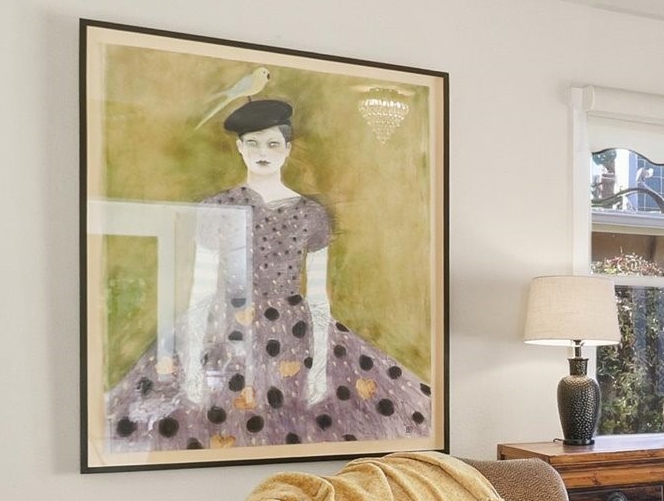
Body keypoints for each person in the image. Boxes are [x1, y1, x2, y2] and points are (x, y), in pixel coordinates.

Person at [103, 97, 432, 453]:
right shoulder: (218, 207)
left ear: (287, 149)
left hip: (295, 331)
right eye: (254, 143)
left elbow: (318, 297)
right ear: (239, 147)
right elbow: (201, 290)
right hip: (227, 328)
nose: (263, 152)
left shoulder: (311, 214)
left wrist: (320, 367)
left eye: (273, 144)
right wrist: (194, 368)